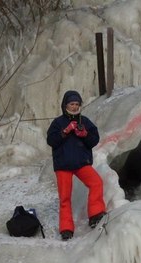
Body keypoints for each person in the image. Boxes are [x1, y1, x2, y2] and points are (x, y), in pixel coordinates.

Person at [46, 90, 106, 240]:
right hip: (63, 165)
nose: (74, 106)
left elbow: (94, 140)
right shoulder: (58, 123)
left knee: (96, 183)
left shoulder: (84, 121)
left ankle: (95, 215)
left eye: (77, 104)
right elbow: (51, 141)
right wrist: (65, 132)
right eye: (71, 104)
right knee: (65, 197)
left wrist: (85, 134)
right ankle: (66, 229)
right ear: (65, 105)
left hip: (81, 163)